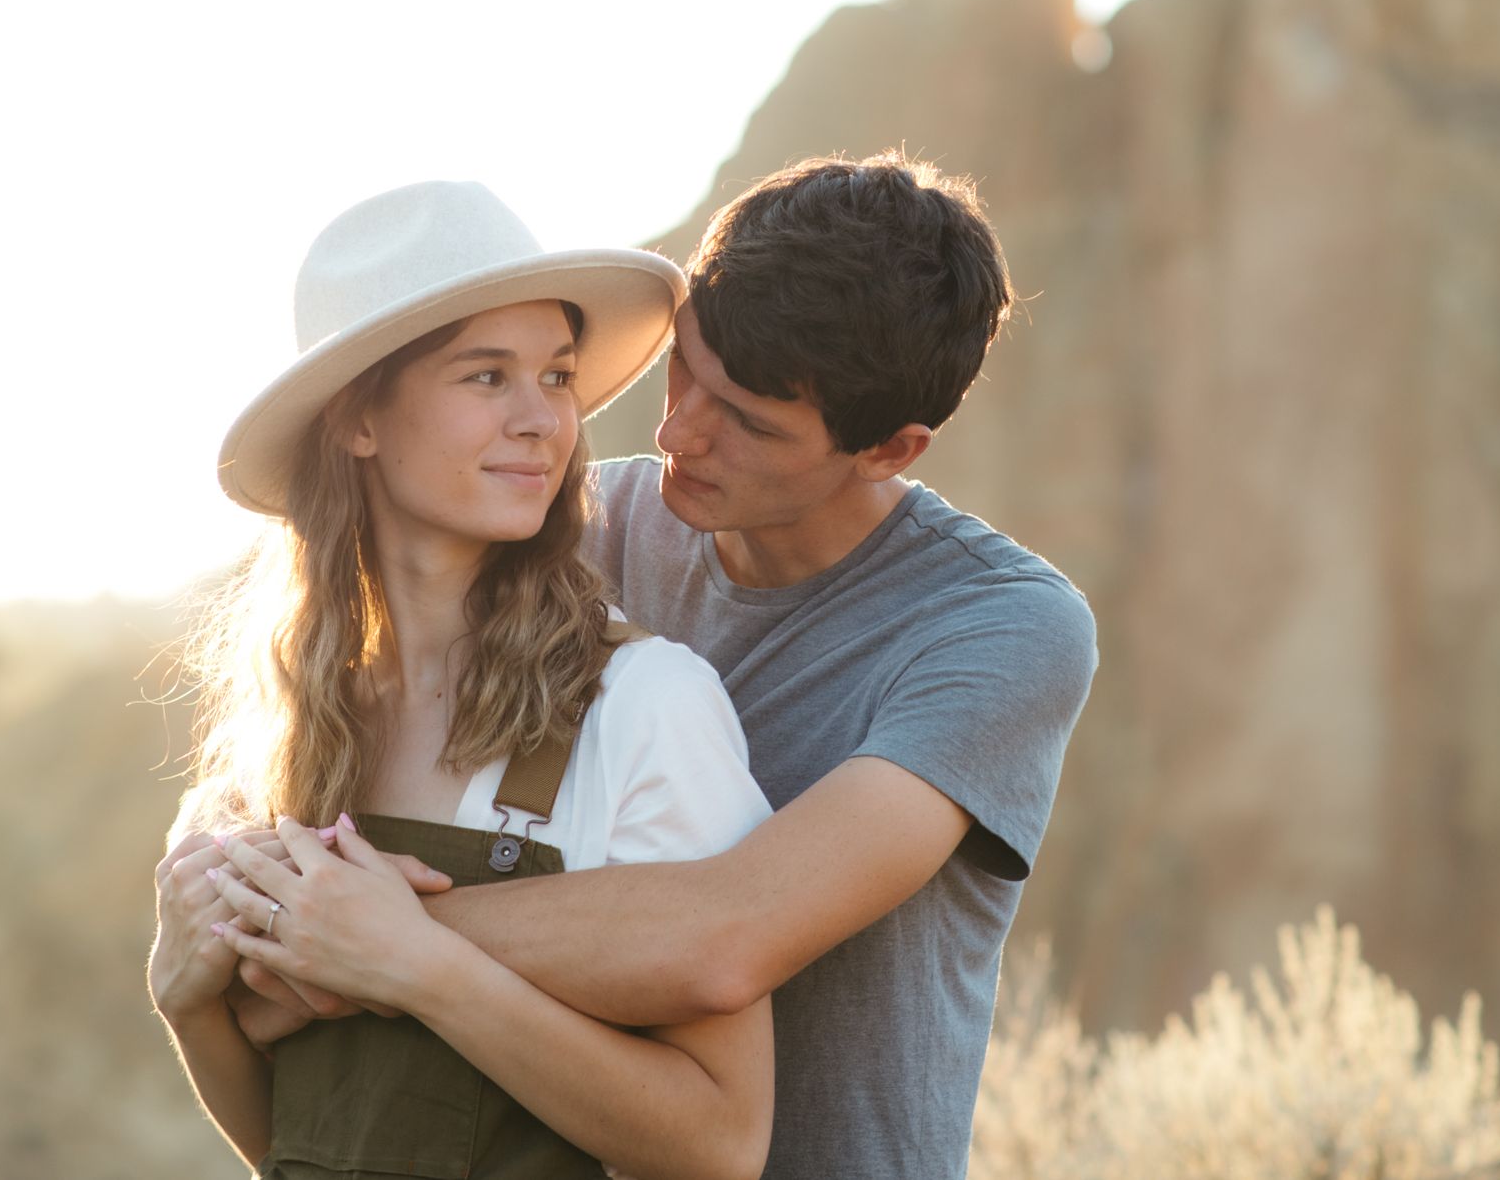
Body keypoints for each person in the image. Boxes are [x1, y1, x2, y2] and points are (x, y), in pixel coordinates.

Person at [220, 153, 1100, 1180]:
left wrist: (369, 936)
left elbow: (726, 929)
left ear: (890, 450)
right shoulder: (574, 532)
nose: (677, 430)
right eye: (687, 367)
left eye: (751, 421)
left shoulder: (995, 626)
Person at [146, 179, 776, 1180]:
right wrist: (184, 1003)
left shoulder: (644, 707)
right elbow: (298, 1142)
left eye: (557, 376)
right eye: (487, 377)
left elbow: (720, 1141)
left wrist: (420, 964)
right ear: (359, 419)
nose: (543, 420)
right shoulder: (283, 734)